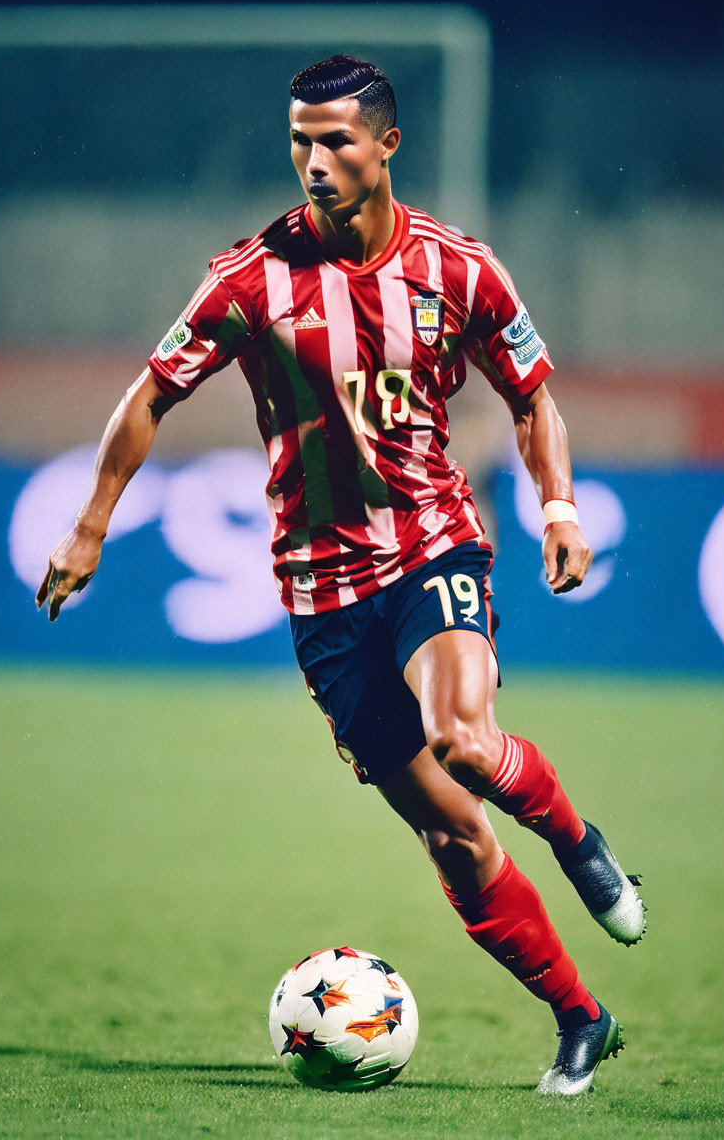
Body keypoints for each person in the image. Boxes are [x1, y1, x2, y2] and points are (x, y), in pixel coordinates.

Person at [37, 55, 645, 1095]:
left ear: (385, 145)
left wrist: (556, 506)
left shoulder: (459, 269)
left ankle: (576, 841)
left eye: (333, 141)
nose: (312, 163)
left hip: (429, 544)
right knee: (453, 837)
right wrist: (89, 527)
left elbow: (529, 393)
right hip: (318, 593)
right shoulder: (247, 278)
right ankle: (580, 1016)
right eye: (297, 142)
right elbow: (147, 398)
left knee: (462, 739)